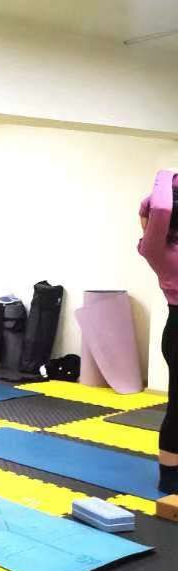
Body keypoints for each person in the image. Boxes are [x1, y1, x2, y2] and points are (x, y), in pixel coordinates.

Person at [138, 169, 178, 494]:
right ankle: (169, 478)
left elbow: (154, 207)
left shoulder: (154, 248)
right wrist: (167, 174)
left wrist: (166, 181)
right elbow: (160, 207)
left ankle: (170, 475)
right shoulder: (158, 249)